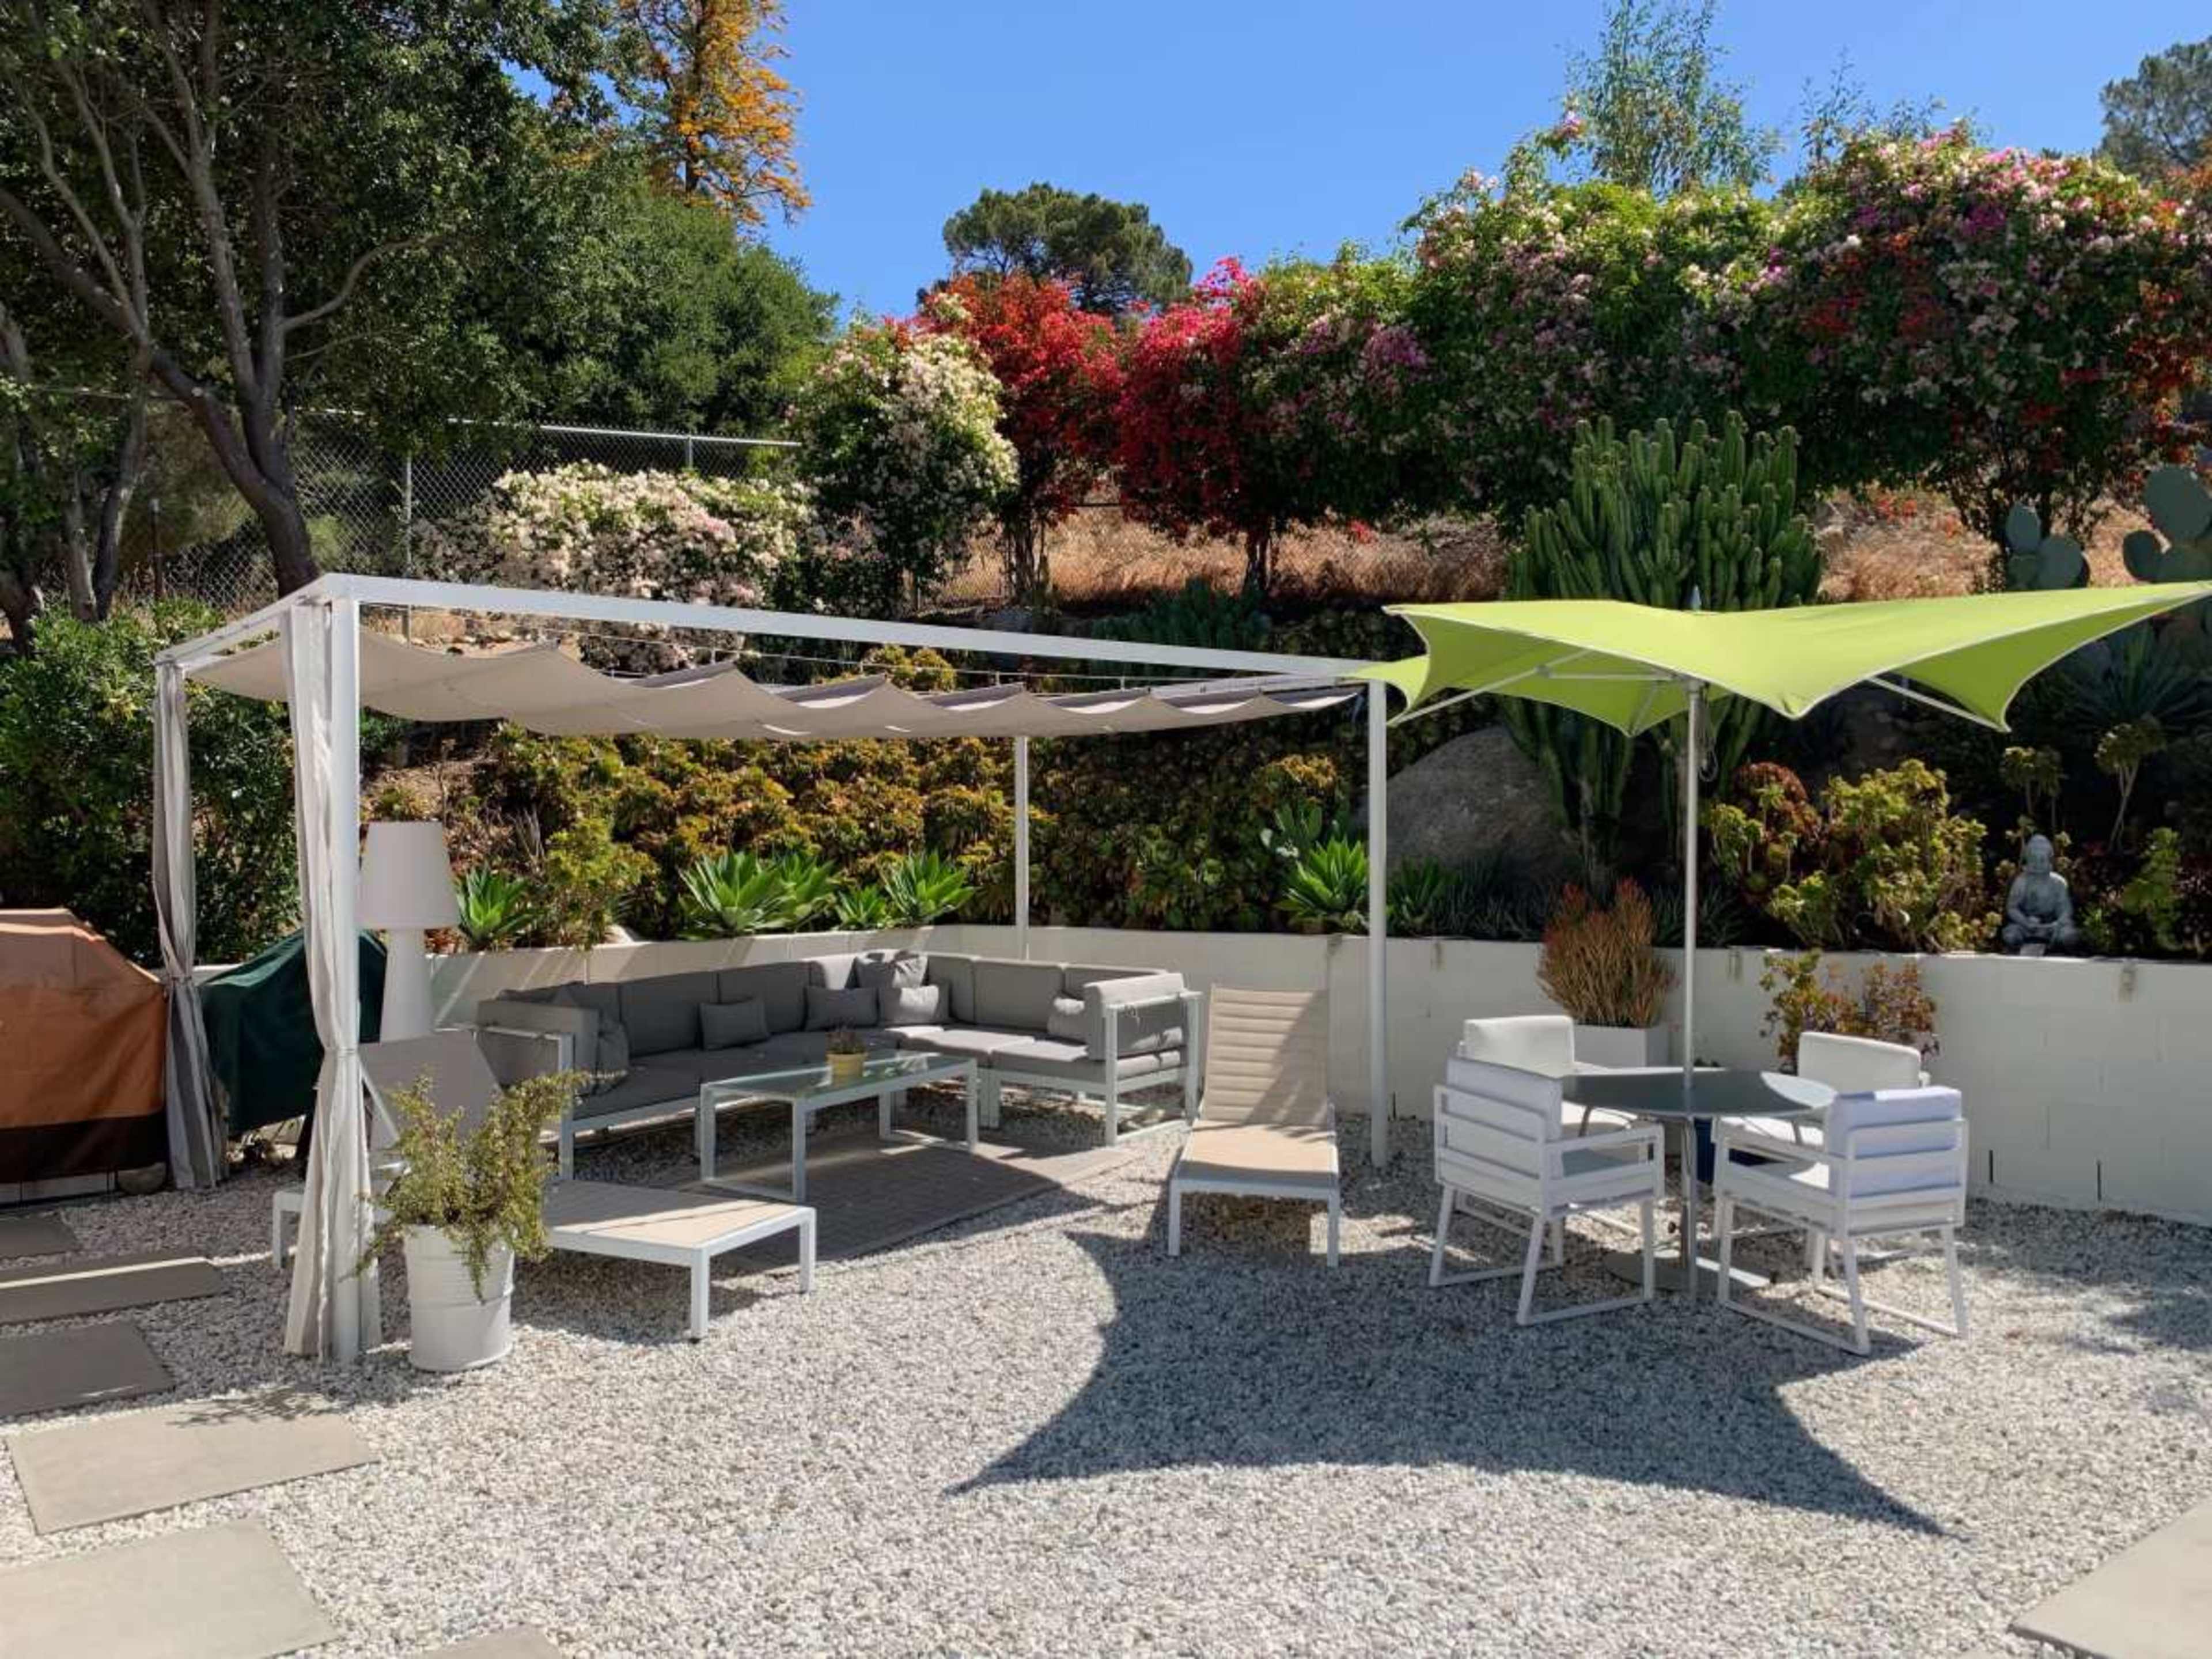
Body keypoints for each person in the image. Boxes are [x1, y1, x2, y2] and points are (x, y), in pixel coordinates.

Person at [2001, 834, 2083, 956]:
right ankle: (2027, 943)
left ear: (2049, 859)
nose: (2038, 864)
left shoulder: (2058, 882)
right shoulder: (2022, 882)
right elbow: (2012, 908)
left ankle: (2055, 943)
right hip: (2027, 927)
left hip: (2053, 927)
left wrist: (2057, 924)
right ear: (2028, 859)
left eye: (2042, 859)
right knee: (2011, 936)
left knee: (2070, 936)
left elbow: (2066, 909)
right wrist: (2026, 923)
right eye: (2034, 859)